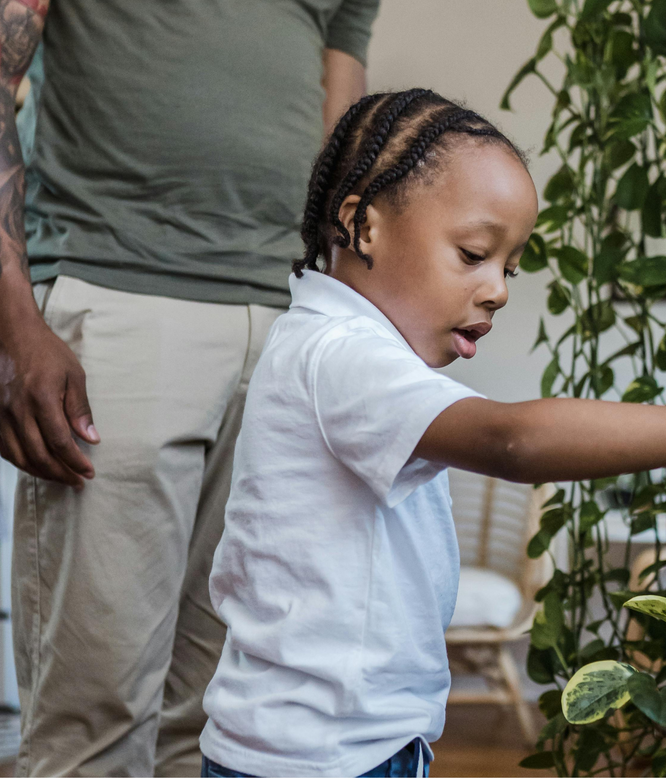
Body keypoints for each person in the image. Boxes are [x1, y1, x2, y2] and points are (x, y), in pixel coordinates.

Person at [198, 88, 666, 778]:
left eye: (509, 268)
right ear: (363, 227)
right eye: (472, 254)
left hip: (344, 748)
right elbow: (513, 440)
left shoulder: (342, 350)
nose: (496, 289)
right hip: (316, 761)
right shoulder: (340, 355)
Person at [0, 0, 381, 774]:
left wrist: (352, 327)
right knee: (94, 723)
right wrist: (11, 320)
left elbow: (338, 124)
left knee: (221, 718)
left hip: (291, 317)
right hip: (118, 293)